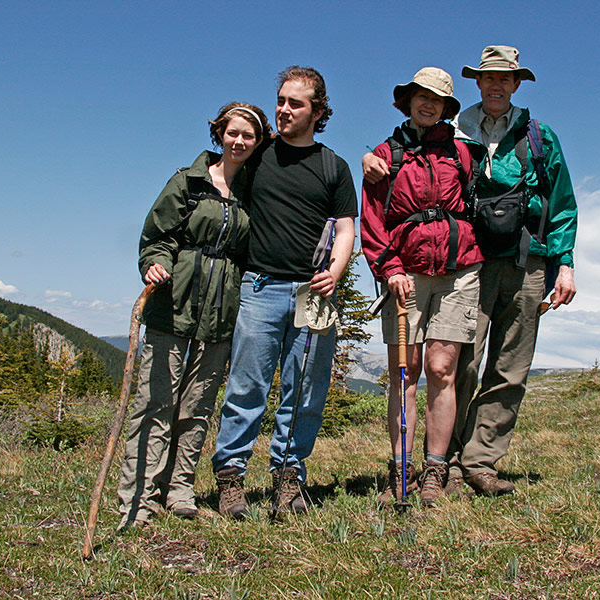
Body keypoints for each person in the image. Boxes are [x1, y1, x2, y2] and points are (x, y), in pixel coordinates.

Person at [363, 45, 577, 496]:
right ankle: (436, 463)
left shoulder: (530, 137)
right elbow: (378, 210)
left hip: (514, 259)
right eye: (489, 77)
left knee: (503, 366)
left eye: (506, 78)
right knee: (455, 365)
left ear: (517, 83)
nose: (497, 84)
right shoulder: (449, 137)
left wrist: (565, 263)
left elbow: (561, 203)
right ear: (477, 83)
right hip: (452, 264)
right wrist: (370, 162)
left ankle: (476, 463)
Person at [212, 66, 357, 519]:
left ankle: (289, 478)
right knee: (247, 385)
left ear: (318, 111)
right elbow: (219, 177)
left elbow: (349, 226)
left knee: (306, 390)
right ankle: (231, 478)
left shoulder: (333, 166)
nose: (283, 109)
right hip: (259, 286)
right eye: (280, 100)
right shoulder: (259, 155)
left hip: (314, 295)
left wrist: (335, 270)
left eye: (295, 103)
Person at [117, 102, 269, 530]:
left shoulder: (254, 192)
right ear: (220, 133)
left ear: (258, 143)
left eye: (249, 136)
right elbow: (157, 235)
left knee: (198, 406)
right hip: (173, 303)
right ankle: (139, 497)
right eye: (232, 133)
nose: (239, 141)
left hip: (222, 312)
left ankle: (179, 489)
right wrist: (154, 262)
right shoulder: (188, 181)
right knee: (155, 403)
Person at [361, 67, 481, 508]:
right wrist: (388, 267)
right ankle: (401, 468)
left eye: (437, 100)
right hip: (405, 275)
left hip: (459, 272)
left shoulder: (464, 154)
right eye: (421, 96)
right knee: (404, 372)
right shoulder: (385, 155)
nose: (428, 104)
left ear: (447, 107)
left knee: (442, 369)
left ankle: (435, 470)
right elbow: (371, 220)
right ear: (408, 100)